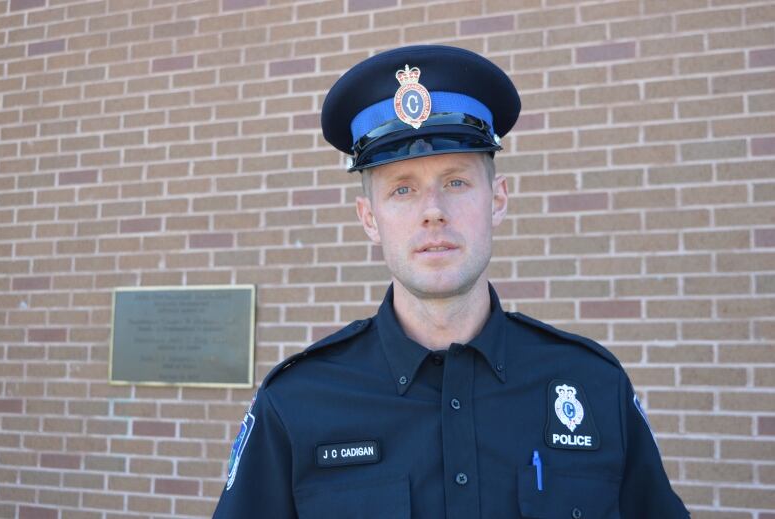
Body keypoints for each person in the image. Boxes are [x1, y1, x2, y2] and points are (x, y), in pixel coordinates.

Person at [212, 45, 689, 518]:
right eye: (402, 189)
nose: (433, 211)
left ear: (497, 199)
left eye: (456, 182)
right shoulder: (296, 405)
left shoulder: (594, 387)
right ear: (369, 218)